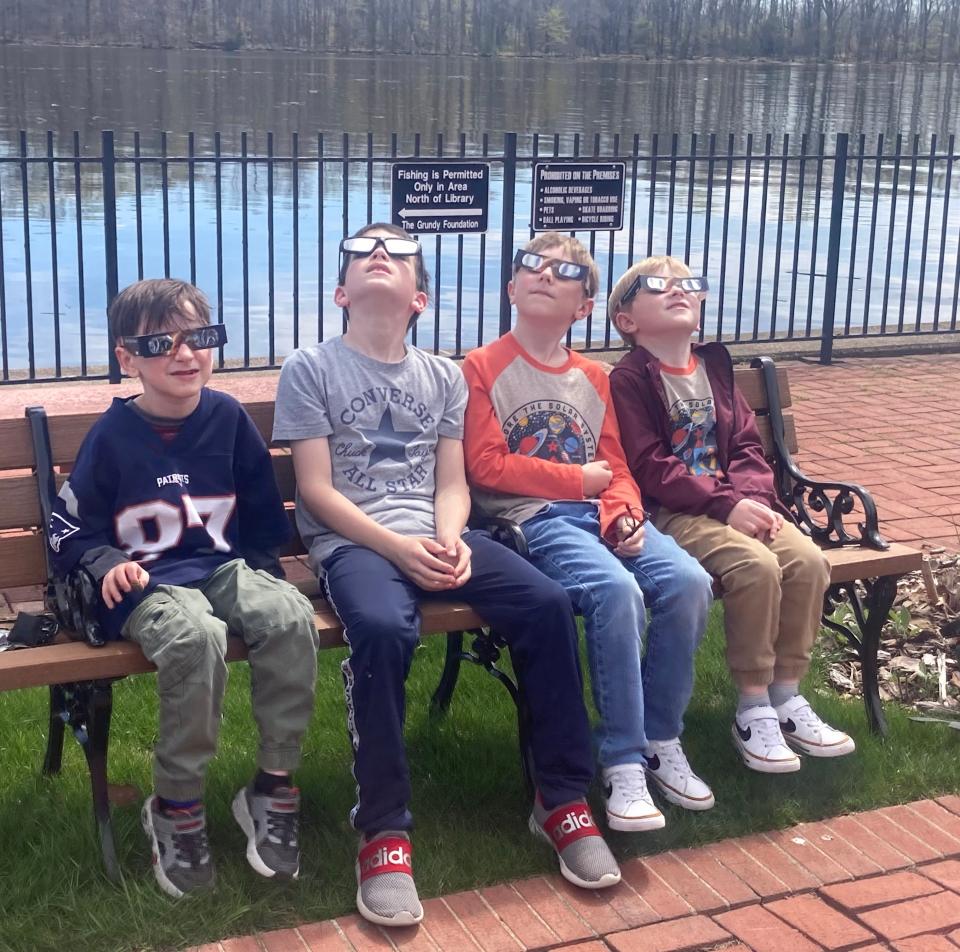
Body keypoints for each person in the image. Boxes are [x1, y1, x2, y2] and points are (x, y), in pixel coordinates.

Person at [272, 223, 620, 929]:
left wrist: (451, 537)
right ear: (342, 292)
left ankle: (562, 799)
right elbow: (316, 490)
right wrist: (397, 550)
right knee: (380, 627)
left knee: (548, 604)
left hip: (441, 534)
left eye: (398, 253)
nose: (380, 255)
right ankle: (385, 832)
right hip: (356, 542)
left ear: (420, 298)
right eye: (363, 252)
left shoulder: (441, 377)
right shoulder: (311, 368)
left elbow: (452, 482)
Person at [47, 278, 320, 898]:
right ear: (126, 358)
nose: (184, 353)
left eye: (199, 337)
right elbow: (67, 532)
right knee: (197, 638)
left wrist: (259, 576)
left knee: (289, 615)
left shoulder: (226, 418)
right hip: (149, 584)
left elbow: (259, 515)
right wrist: (105, 559)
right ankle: (176, 805)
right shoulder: (113, 437)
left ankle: (272, 788)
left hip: (219, 569)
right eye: (159, 342)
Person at [462, 233, 715, 833]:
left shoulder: (593, 379)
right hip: (531, 521)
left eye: (565, 272)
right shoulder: (481, 368)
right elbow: (486, 466)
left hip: (597, 513)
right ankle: (622, 761)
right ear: (512, 289)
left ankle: (660, 737)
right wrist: (579, 481)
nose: (545, 274)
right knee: (615, 592)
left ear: (583, 308)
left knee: (688, 581)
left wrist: (623, 511)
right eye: (533, 266)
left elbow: (617, 467)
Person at [607, 255, 856, 774]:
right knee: (756, 567)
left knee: (807, 561)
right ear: (626, 320)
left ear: (699, 304)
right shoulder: (629, 379)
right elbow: (648, 464)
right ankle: (752, 707)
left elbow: (746, 445)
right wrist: (726, 505)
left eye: (688, 285)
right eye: (657, 286)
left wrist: (756, 503)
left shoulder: (713, 368)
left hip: (740, 505)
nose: (678, 290)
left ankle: (786, 696)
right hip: (675, 513)